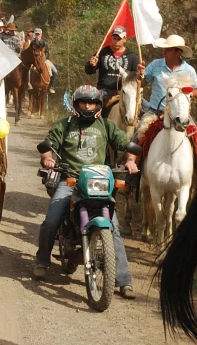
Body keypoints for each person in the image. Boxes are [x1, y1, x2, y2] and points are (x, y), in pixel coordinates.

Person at [33, 85, 138, 299]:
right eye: (84, 102)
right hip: (70, 180)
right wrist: (48, 158)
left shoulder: (106, 125)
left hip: (98, 181)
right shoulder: (65, 125)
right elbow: (48, 146)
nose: (88, 106)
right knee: (51, 220)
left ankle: (124, 281)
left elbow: (127, 145)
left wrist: (130, 160)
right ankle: (42, 261)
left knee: (114, 229)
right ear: (76, 104)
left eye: (91, 103)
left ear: (98, 105)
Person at [136, 34, 197, 137]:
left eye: (168, 50)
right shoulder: (155, 65)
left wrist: (188, 93)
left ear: (178, 53)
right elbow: (142, 84)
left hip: (180, 114)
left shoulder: (189, 70)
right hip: (155, 113)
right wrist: (139, 76)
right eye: (164, 49)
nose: (164, 52)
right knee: (136, 138)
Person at [86, 25, 140, 109]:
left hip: (125, 91)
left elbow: (137, 77)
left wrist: (140, 73)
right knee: (91, 105)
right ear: (111, 38)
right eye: (114, 38)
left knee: (145, 107)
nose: (116, 42)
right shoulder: (102, 52)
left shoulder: (132, 56)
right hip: (104, 90)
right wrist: (92, 65)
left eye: (119, 39)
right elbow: (88, 71)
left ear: (125, 39)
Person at [31, 28, 59, 93]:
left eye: (38, 34)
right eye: (36, 34)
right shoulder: (32, 43)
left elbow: (47, 53)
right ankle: (28, 84)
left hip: (44, 60)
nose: (37, 36)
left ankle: (51, 86)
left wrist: (43, 58)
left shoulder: (44, 43)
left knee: (55, 71)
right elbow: (30, 52)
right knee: (28, 70)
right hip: (35, 60)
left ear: (41, 35)